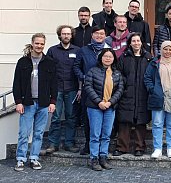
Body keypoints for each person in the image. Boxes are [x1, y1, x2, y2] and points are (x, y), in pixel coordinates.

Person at [13, 33, 57, 171]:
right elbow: (17, 83)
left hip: (43, 103)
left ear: (44, 45)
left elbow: (54, 84)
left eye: (42, 44)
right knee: (24, 133)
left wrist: (53, 101)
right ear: (32, 43)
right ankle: (20, 159)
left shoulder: (49, 62)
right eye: (37, 43)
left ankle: (34, 158)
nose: (39, 46)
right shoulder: (23, 62)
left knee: (38, 133)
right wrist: (18, 102)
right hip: (27, 103)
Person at [144, 41, 171, 159]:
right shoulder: (154, 63)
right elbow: (147, 78)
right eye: (165, 49)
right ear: (161, 50)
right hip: (158, 97)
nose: (167, 52)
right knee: (157, 123)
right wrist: (153, 90)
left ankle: (170, 148)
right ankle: (157, 148)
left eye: (170, 50)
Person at [113, 33, 153, 157]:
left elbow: (152, 75)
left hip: (143, 93)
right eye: (133, 41)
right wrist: (124, 86)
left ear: (142, 42)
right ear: (130, 43)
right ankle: (122, 147)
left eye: (138, 41)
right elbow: (118, 74)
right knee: (124, 120)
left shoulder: (148, 58)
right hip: (127, 93)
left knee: (141, 121)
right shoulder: (123, 57)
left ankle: (139, 147)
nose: (136, 43)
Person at [84, 48, 124, 171]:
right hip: (95, 107)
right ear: (101, 57)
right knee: (95, 134)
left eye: (110, 57)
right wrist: (99, 102)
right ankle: (94, 158)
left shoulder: (117, 73)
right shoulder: (93, 71)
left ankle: (103, 157)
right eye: (105, 56)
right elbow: (88, 86)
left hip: (110, 108)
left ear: (114, 59)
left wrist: (110, 102)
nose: (108, 58)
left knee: (106, 134)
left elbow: (120, 89)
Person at [73, 26, 110, 155]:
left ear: (105, 35)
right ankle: (89, 144)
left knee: (105, 120)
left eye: (102, 34)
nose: (99, 36)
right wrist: (84, 77)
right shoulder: (84, 50)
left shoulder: (109, 50)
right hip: (88, 89)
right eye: (96, 34)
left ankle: (102, 147)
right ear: (92, 35)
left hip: (105, 89)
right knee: (88, 119)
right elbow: (76, 67)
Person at [46, 25, 80, 154]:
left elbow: (79, 69)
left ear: (72, 35)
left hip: (72, 88)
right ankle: (53, 143)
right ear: (59, 35)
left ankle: (69, 143)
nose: (66, 36)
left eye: (68, 34)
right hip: (56, 89)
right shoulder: (52, 51)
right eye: (63, 34)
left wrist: (80, 88)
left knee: (71, 117)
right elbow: (47, 71)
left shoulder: (77, 50)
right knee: (55, 117)